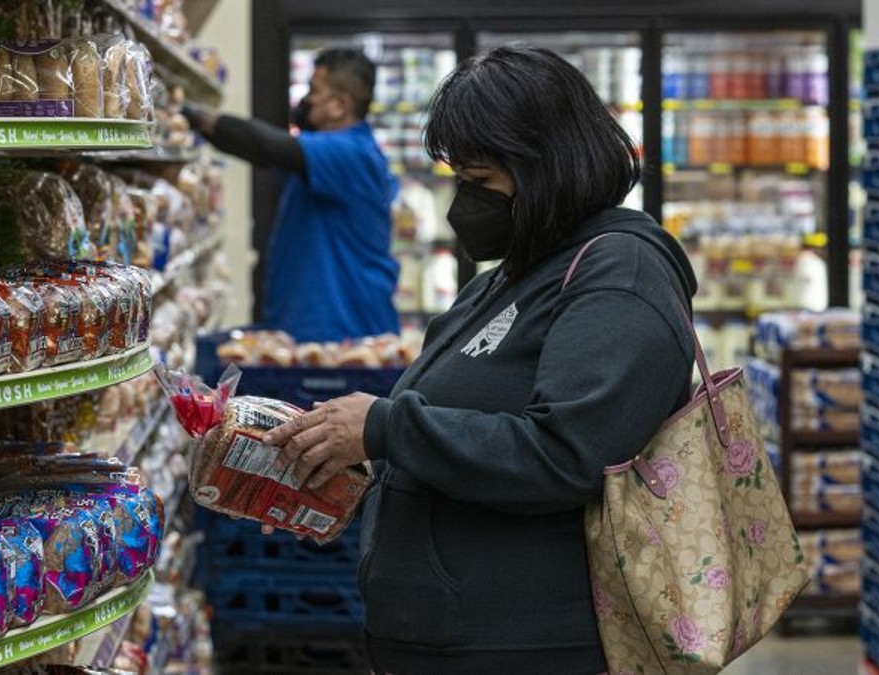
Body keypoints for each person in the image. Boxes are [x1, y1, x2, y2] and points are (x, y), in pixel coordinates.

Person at [262, 46, 699, 673]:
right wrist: (344, 475)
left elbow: (570, 454)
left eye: (482, 182)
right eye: (459, 179)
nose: (462, 204)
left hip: (535, 645)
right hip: (453, 640)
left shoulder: (619, 273)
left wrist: (384, 428)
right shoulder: (516, 273)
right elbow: (462, 431)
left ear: (549, 168)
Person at [183, 48, 399, 343]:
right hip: (316, 329)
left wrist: (192, 115)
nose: (306, 99)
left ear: (339, 105)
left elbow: (267, 146)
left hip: (346, 333)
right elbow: (263, 152)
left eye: (314, 90)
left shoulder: (353, 152)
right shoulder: (328, 150)